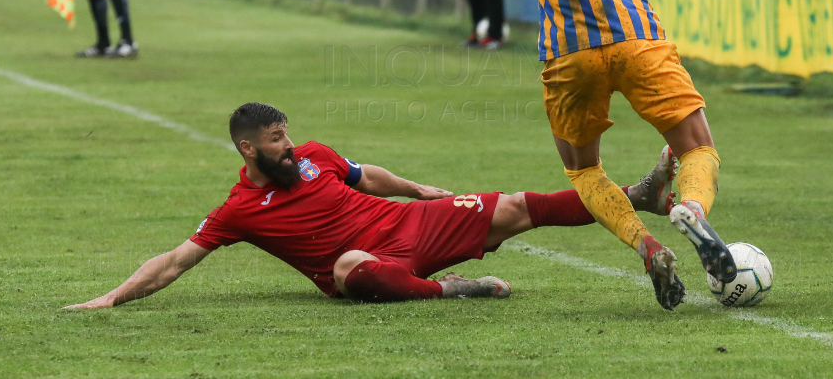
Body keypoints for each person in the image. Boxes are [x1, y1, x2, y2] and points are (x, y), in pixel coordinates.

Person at [369, 0, 774, 311]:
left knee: (584, 172)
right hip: (638, 40)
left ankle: (646, 245)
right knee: (696, 150)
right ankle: (690, 209)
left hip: (569, 53)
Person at [65, 102, 676, 309]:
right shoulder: (239, 210)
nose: (290, 144)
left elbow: (365, 175)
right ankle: (460, 291)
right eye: (276, 139)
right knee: (345, 270)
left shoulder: (314, 156)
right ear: (248, 149)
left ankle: (636, 198)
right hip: (367, 259)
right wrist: (114, 296)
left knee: (519, 205)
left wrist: (417, 190)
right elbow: (174, 262)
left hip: (410, 222)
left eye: (288, 134)